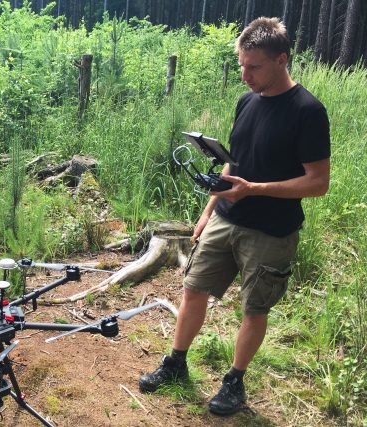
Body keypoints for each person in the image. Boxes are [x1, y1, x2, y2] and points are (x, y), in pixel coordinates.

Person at [139, 17, 330, 415]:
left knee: (253, 308)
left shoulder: (308, 111)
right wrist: (209, 209)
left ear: (282, 59)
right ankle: (175, 362)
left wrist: (254, 190)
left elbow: (317, 183)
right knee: (193, 290)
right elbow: (233, 162)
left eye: (254, 67)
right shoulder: (247, 101)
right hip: (225, 217)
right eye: (241, 65)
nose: (245, 75)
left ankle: (235, 382)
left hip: (271, 230)